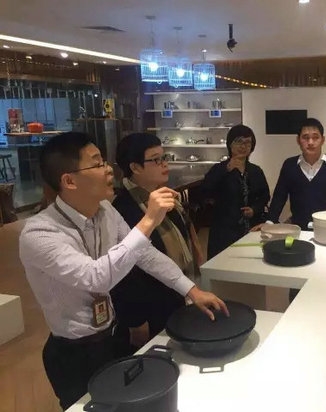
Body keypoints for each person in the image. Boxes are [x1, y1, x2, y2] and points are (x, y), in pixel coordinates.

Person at [19, 132, 228, 410]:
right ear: (69, 181)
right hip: (73, 352)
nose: (108, 169)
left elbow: (145, 254)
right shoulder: (39, 233)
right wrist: (149, 221)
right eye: (97, 163)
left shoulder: (105, 211)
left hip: (113, 337)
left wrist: (192, 290)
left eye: (105, 161)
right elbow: (96, 278)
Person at [111, 132, 205, 354]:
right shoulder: (123, 208)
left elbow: (184, 238)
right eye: (156, 160)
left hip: (174, 295)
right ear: (135, 167)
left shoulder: (164, 196)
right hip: (150, 307)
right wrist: (136, 320)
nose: (164, 164)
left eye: (165, 157)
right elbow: (125, 270)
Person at [202, 124, 270, 258]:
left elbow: (265, 196)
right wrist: (226, 170)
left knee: (249, 261)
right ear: (230, 144)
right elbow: (205, 191)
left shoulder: (256, 171)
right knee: (224, 262)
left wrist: (254, 209)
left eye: (248, 142)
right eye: (239, 142)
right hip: (224, 230)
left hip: (251, 227)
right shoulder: (219, 169)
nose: (243, 146)